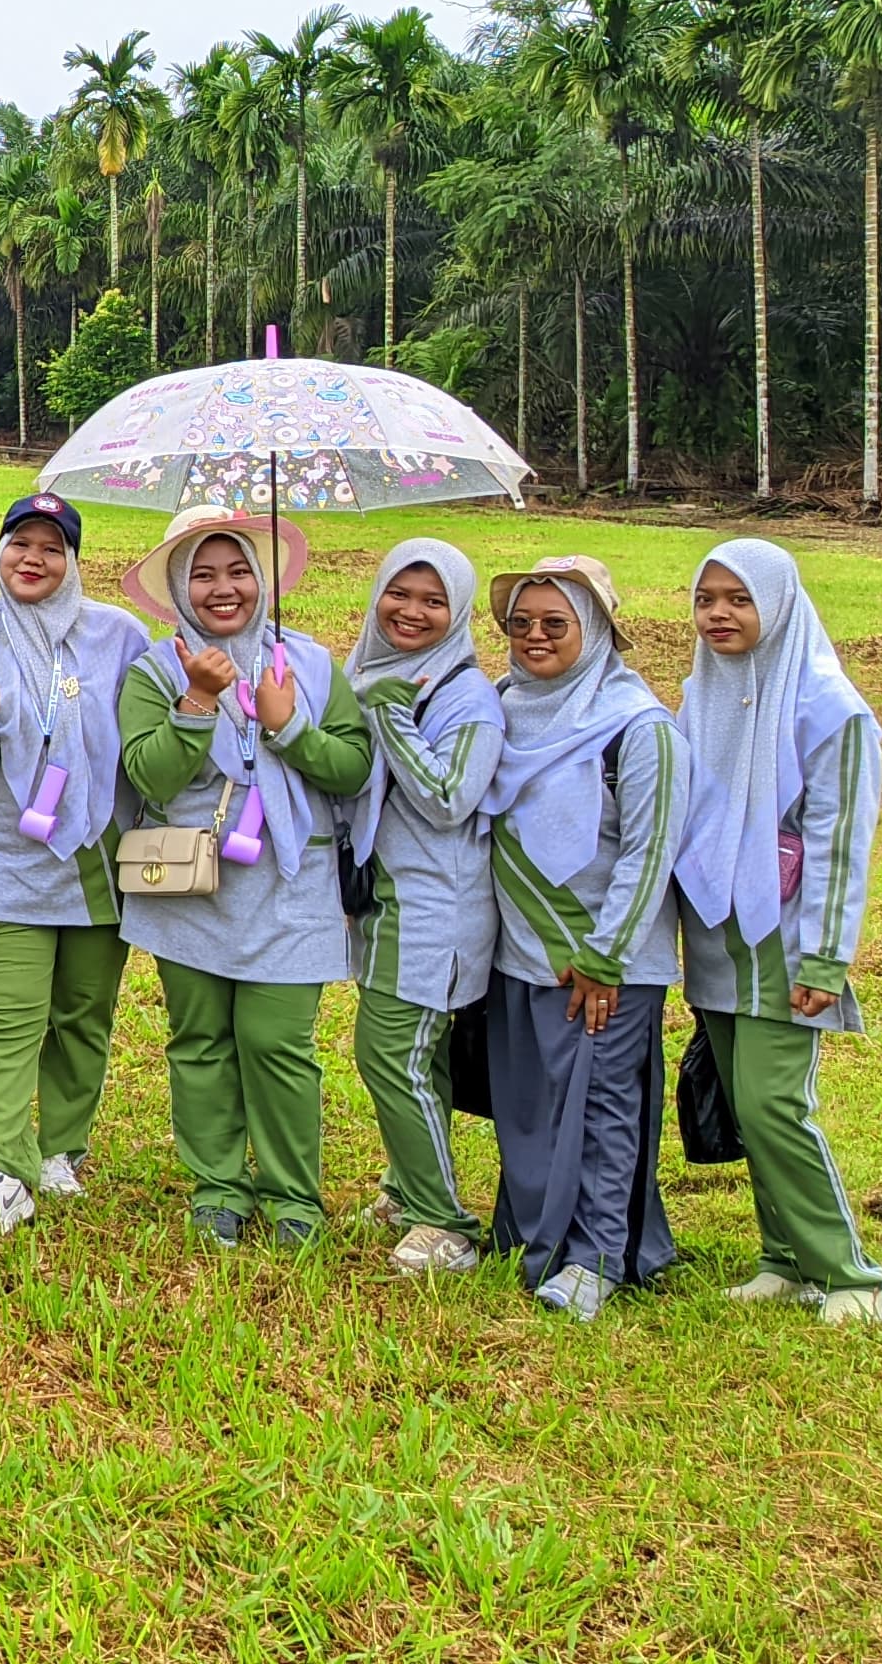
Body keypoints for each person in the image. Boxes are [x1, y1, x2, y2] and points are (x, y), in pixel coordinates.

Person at [115, 505, 372, 1250]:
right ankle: (217, 1190)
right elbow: (147, 774)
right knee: (199, 1039)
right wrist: (196, 702)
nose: (223, 590)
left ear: (263, 580)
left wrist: (288, 725)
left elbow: (352, 768)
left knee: (277, 1043)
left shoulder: (313, 667)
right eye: (202, 575)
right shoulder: (155, 671)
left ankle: (294, 1199)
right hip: (191, 882)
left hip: (290, 880)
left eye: (237, 572)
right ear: (175, 588)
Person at [673, 539, 882, 1326]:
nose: (719, 615)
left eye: (739, 599)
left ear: (780, 602)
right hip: (717, 935)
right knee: (742, 1100)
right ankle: (785, 1258)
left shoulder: (828, 707)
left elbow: (840, 839)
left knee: (773, 1105)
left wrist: (828, 959)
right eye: (707, 600)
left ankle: (851, 1275)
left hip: (788, 940)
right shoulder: (705, 690)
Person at [0, 494, 151, 1238]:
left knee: (85, 1019)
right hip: (8, 866)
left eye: (52, 548)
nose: (34, 559)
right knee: (9, 1025)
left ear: (74, 563)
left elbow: (145, 751)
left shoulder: (121, 639)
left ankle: (60, 1149)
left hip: (96, 867)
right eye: (21, 543)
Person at [479, 557, 685, 1322]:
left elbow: (649, 850)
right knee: (531, 1106)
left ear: (595, 631)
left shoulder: (637, 727)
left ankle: (598, 1256)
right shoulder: (502, 706)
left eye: (555, 624)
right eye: (520, 623)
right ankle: (535, 1235)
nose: (535, 637)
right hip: (521, 954)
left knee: (600, 1109)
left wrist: (605, 960)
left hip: (605, 962)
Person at [344, 539, 504, 1276]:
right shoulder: (373, 671)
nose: (411, 612)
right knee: (421, 1063)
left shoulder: (465, 695)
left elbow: (448, 799)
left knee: (391, 1057)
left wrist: (393, 720)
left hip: (434, 910)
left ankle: (445, 1221)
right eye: (399, 594)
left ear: (460, 612)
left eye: (433, 601)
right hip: (387, 903)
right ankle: (407, 1191)